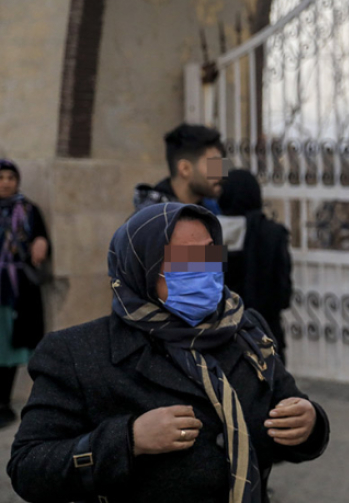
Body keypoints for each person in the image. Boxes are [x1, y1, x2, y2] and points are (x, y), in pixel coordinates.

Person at [8, 203, 329, 503]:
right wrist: (128, 439)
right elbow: (28, 468)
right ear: (141, 266)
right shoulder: (76, 352)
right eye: (183, 260)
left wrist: (310, 423)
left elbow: (286, 415)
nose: (202, 269)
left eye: (209, 255)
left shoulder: (246, 329)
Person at [218, 169, 293, 361]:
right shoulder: (273, 234)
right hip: (265, 337)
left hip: (220, 340)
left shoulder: (207, 235)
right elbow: (283, 294)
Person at [0, 160, 51, 429]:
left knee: (8, 349)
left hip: (15, 292)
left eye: (11, 177)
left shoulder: (29, 209)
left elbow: (42, 239)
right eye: (1, 177)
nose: (6, 182)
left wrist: (41, 243)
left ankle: (3, 402)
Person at [133, 123, 226, 215]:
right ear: (185, 169)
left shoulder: (210, 212)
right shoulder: (151, 220)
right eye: (214, 165)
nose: (221, 174)